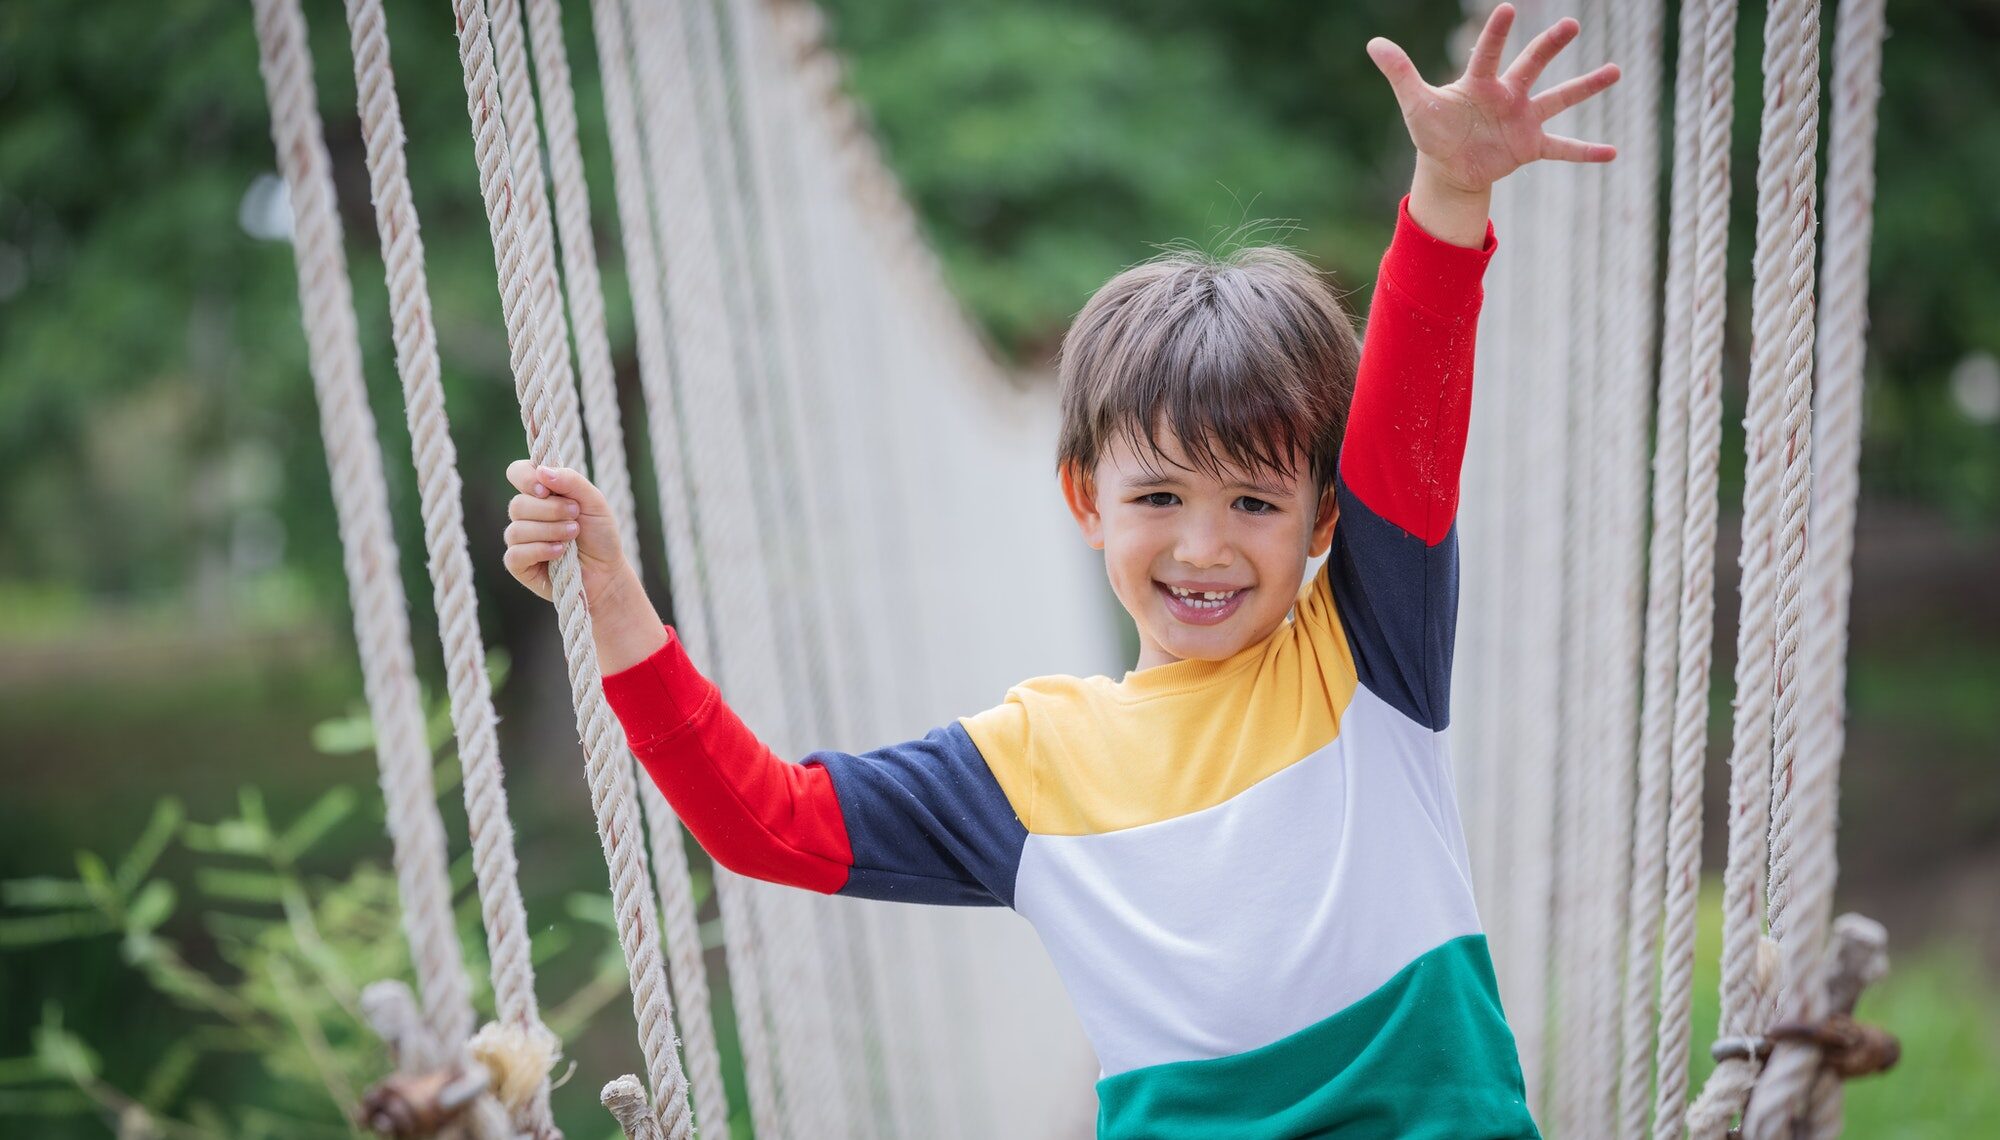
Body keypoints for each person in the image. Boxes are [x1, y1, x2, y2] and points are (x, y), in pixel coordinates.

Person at [501, 6, 1617, 1135]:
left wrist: (1448, 198)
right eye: (1157, 498)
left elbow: (1407, 418)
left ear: (1325, 513)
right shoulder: (1026, 765)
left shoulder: (1366, 649)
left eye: (1253, 502)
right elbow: (769, 824)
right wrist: (608, 602)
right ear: (1085, 499)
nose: (1202, 547)